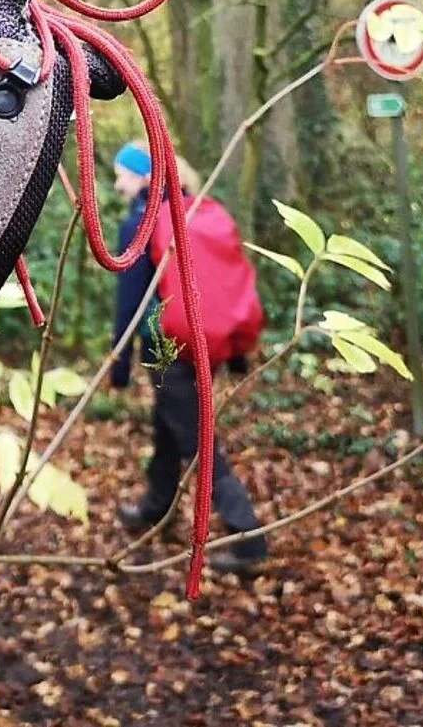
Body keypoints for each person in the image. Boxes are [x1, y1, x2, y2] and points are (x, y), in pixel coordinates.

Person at [109, 143, 269, 575]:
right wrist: (237, 351)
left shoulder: (142, 224)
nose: (117, 183)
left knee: (198, 445)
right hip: (202, 344)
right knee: (168, 428)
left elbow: (131, 300)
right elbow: (231, 281)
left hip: (167, 350)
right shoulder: (197, 211)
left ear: (145, 177)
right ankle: (155, 511)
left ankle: (248, 540)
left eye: (123, 174)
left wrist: (119, 363)